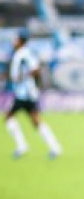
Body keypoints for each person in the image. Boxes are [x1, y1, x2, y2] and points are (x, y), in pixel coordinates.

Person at [4, 31, 62, 159]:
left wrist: (23, 78)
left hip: (25, 94)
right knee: (33, 121)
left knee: (10, 117)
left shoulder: (25, 54)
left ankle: (23, 146)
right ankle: (53, 147)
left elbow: (35, 69)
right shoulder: (20, 54)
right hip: (22, 93)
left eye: (15, 39)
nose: (13, 42)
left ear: (20, 41)